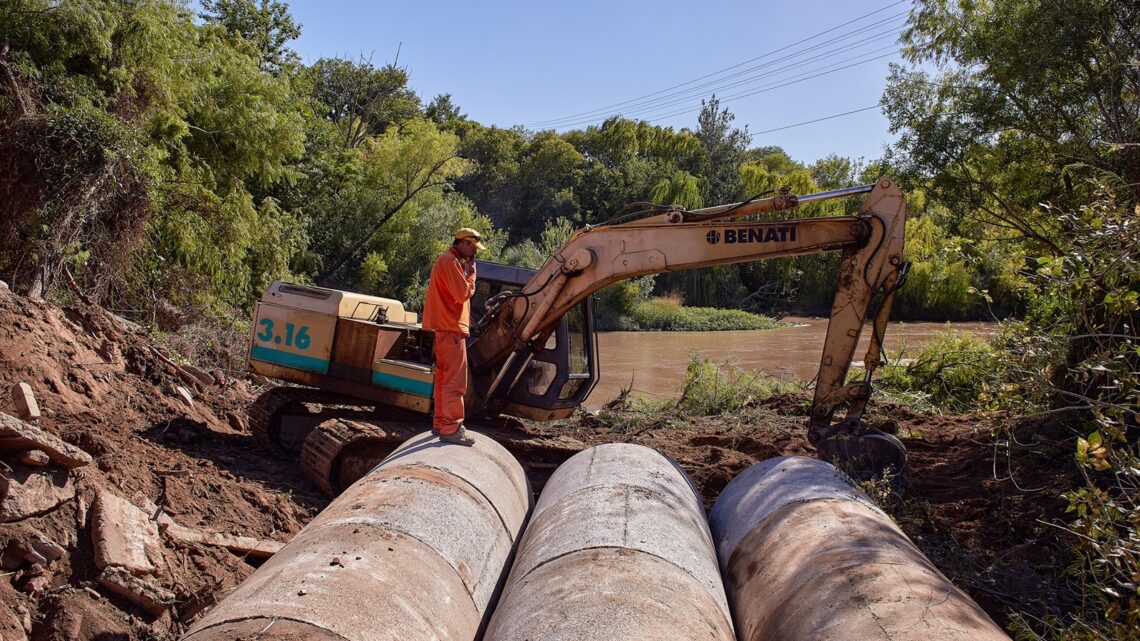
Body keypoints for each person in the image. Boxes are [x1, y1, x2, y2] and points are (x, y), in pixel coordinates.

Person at [422, 228, 486, 446]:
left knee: (443, 377)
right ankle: (452, 428)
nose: (475, 254)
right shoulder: (451, 262)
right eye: (473, 248)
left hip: (446, 328)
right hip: (450, 328)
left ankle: (441, 423)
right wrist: (471, 274)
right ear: (464, 243)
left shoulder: (448, 261)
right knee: (455, 381)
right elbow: (462, 294)